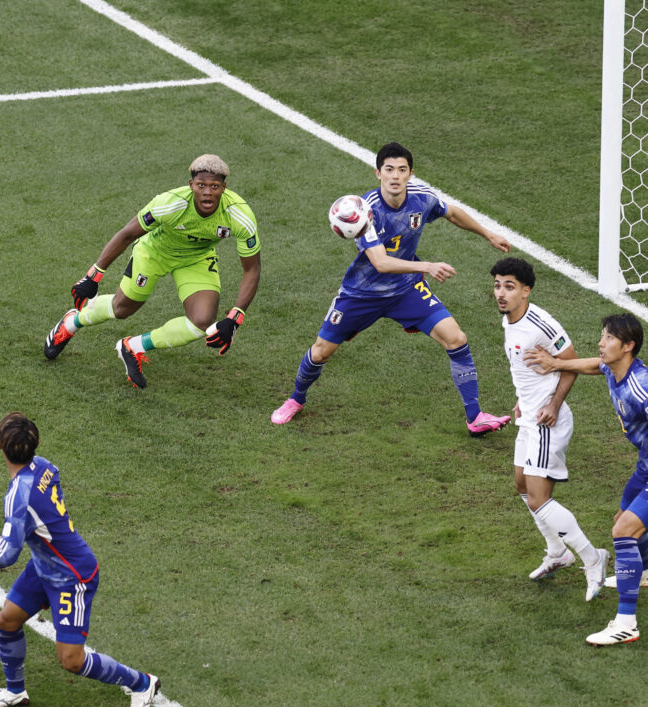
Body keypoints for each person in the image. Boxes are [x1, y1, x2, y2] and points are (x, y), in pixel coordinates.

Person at [270, 142, 512, 436]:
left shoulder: (422, 199)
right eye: (389, 170)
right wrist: (427, 267)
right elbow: (381, 263)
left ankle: (475, 417)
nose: (395, 176)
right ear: (378, 173)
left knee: (456, 338)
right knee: (320, 352)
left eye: (402, 170)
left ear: (411, 173)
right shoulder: (363, 210)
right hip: (362, 294)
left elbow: (452, 213)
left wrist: (487, 233)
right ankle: (296, 399)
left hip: (405, 291)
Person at [0, 412, 160, 707]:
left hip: (71, 577)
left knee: (71, 660)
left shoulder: (18, 497)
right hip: (45, 565)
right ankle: (15, 691)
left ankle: (142, 684)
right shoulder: (45, 466)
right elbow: (39, 518)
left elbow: (4, 558)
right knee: (7, 620)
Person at [43, 154, 262, 389]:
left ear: (224, 188)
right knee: (122, 309)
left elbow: (252, 269)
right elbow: (127, 233)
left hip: (197, 258)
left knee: (202, 321)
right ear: (191, 186)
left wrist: (235, 316)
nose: (208, 192)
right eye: (201, 185)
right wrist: (94, 274)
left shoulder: (240, 215)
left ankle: (133, 347)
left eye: (215, 186)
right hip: (155, 253)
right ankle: (71, 322)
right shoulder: (170, 203)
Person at [526, 314, 648, 645]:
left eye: (608, 338)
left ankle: (626, 623)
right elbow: (596, 365)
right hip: (645, 464)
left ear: (628, 346)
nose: (600, 342)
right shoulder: (614, 368)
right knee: (624, 519)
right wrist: (554, 363)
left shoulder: (641, 387)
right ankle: (646, 572)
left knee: (623, 532)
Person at [492, 258, 608, 598]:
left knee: (540, 499)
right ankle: (557, 553)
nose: (501, 293)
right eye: (498, 285)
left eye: (509, 287)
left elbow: (569, 364)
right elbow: (524, 368)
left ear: (526, 291)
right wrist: (521, 400)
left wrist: (552, 405)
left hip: (547, 421)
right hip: (528, 415)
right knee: (522, 487)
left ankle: (592, 558)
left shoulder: (541, 323)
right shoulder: (509, 320)